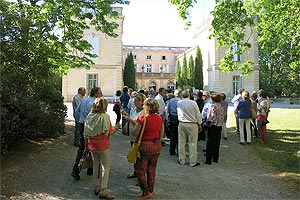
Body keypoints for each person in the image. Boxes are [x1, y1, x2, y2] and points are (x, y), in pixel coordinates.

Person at [84, 98, 121, 199]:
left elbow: (86, 133)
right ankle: (104, 189)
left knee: (95, 165)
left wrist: (86, 146)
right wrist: (116, 128)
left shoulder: (89, 116)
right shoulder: (105, 117)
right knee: (105, 167)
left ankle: (96, 186)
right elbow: (109, 132)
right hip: (103, 145)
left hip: (92, 144)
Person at [131, 98, 164, 200]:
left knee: (140, 169)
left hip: (145, 146)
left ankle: (145, 191)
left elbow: (134, 132)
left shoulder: (143, 118)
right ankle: (150, 190)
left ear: (147, 107)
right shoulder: (159, 118)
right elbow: (161, 134)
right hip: (156, 145)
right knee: (151, 170)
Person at [71, 87, 103, 180]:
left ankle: (79, 170)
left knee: (82, 148)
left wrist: (79, 122)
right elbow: (96, 118)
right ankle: (90, 170)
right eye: (100, 93)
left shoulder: (84, 101)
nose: (101, 94)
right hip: (91, 127)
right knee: (94, 149)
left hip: (82, 125)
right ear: (96, 94)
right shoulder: (96, 103)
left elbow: (77, 112)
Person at [122, 93, 147, 179]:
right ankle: (136, 172)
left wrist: (130, 120)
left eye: (136, 100)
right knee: (134, 155)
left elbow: (139, 124)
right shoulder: (134, 109)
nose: (134, 102)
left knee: (140, 157)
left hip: (139, 137)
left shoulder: (143, 112)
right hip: (132, 136)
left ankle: (141, 176)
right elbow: (133, 118)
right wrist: (126, 115)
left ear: (141, 102)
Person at [177, 90, 202, 167]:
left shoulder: (179, 103)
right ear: (189, 95)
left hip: (182, 123)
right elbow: (198, 114)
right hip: (192, 124)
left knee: (181, 142)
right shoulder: (193, 103)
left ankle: (182, 160)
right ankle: (192, 162)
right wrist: (200, 124)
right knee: (193, 143)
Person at [205, 93, 224, 165]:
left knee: (210, 143)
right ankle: (215, 158)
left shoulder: (212, 106)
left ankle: (208, 160)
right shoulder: (221, 106)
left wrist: (208, 122)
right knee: (217, 142)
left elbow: (211, 116)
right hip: (219, 126)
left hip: (213, 126)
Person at [167, 89, 182, 155]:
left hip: (172, 117)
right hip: (178, 118)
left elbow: (168, 110)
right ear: (180, 94)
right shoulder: (181, 101)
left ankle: (172, 150)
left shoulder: (170, 100)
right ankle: (179, 151)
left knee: (173, 135)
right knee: (179, 135)